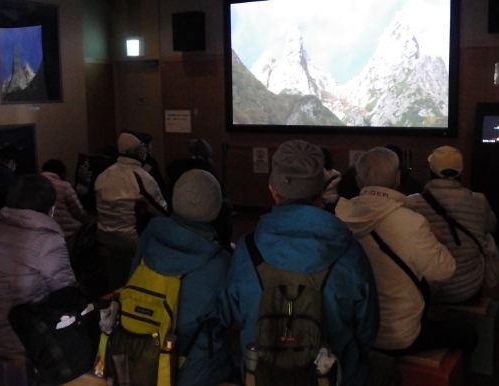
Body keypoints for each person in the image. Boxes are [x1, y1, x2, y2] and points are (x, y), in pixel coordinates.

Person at [221, 140, 379, 386]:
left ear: (272, 190)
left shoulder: (246, 249)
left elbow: (230, 315)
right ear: (321, 192)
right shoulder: (349, 250)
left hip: (262, 377)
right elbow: (366, 330)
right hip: (334, 377)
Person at [335, 147, 477, 357]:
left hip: (357, 329)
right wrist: (434, 239)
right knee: (468, 332)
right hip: (397, 335)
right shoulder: (412, 222)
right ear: (397, 179)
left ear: (358, 181)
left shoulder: (340, 217)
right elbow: (445, 270)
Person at [129, 169, 234, 386]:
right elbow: (230, 317)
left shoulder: (148, 238)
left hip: (139, 355)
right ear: (217, 207)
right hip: (194, 372)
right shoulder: (219, 261)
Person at [0, 174, 77, 357]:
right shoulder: (48, 238)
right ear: (49, 203)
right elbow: (66, 293)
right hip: (24, 339)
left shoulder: (2, 228)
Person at [408, 146, 499, 304]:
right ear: (461, 172)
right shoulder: (479, 201)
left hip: (427, 291)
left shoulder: (412, 202)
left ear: (430, 170)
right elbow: (491, 227)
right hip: (468, 289)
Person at [95, 132, 168, 255]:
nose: (147, 149)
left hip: (103, 236)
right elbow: (161, 211)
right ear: (136, 150)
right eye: (145, 146)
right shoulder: (142, 177)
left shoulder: (103, 174)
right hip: (132, 241)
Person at [165, 137, 233, 252]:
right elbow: (219, 197)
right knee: (226, 204)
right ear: (208, 155)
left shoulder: (177, 170)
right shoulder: (209, 173)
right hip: (208, 226)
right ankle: (225, 247)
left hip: (178, 220)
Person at [41, 159, 85, 238]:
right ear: (62, 173)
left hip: (42, 230)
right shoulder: (64, 186)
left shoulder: (33, 185)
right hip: (65, 231)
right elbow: (78, 212)